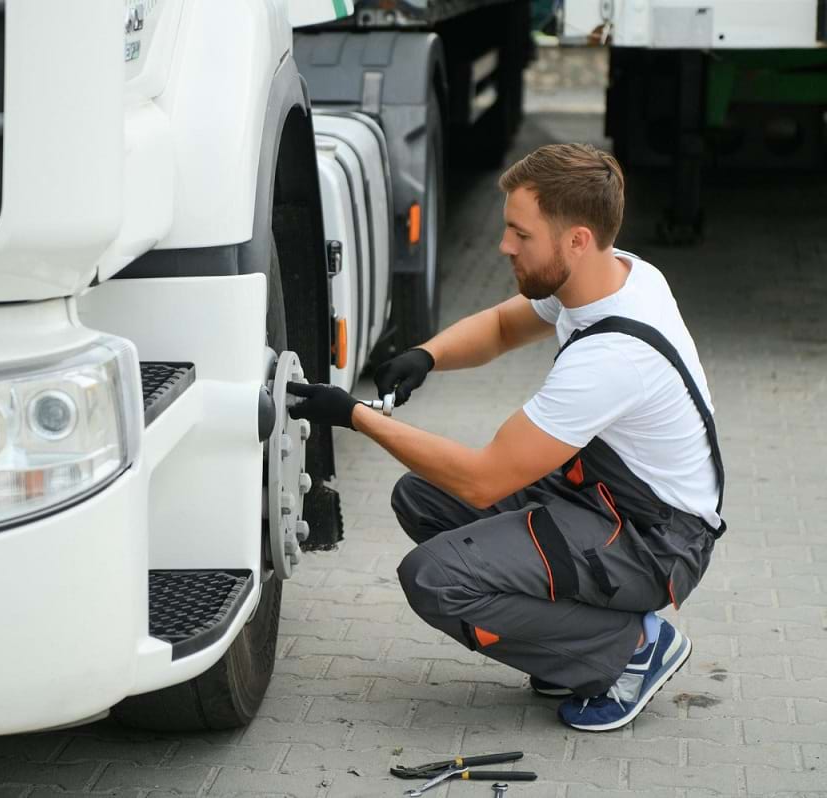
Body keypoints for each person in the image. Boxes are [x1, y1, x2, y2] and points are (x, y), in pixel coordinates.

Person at [286, 143, 725, 731]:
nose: (504, 246)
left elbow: (482, 477)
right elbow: (498, 326)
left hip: (654, 541)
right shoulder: (612, 274)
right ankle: (571, 643)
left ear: (575, 239)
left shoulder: (612, 358)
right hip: (609, 500)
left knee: (434, 577)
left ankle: (629, 651)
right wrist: (426, 355)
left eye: (521, 234)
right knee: (420, 496)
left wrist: (356, 417)